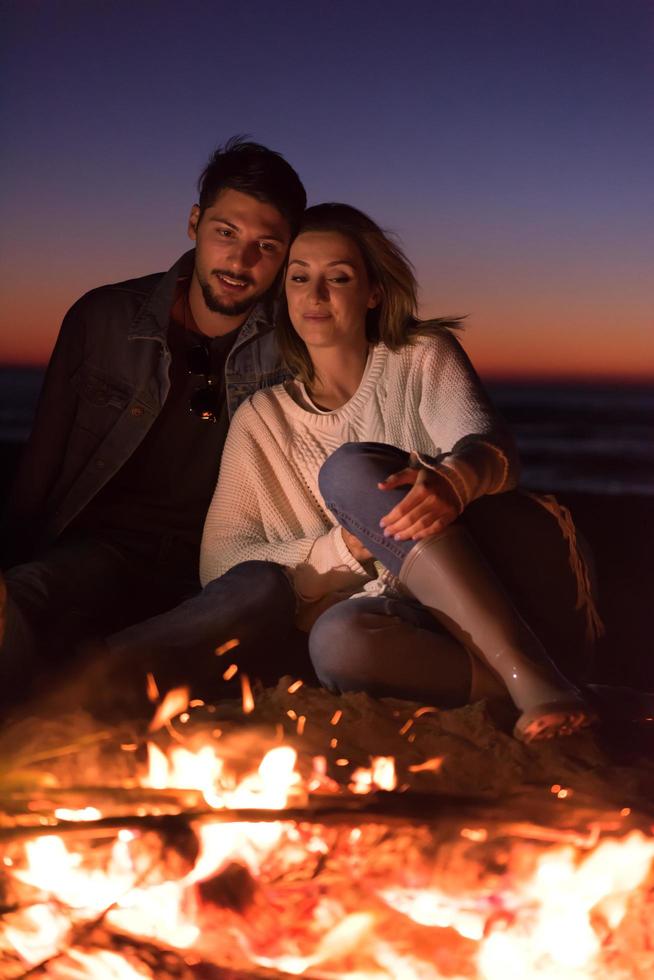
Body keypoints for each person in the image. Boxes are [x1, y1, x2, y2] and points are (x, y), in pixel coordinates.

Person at [105, 204, 601, 740]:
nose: (315, 295)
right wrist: (344, 548)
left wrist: (453, 481)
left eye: (337, 278)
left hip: (508, 583)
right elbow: (222, 563)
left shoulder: (420, 356)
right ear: (284, 293)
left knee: (349, 473)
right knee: (337, 640)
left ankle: (529, 674)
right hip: (412, 626)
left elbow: (492, 448)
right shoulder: (262, 419)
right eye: (299, 278)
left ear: (373, 292)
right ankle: (549, 694)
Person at [0, 137, 306, 707]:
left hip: (217, 564)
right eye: (226, 233)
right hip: (101, 552)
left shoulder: (297, 347)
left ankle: (84, 680)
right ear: (195, 223)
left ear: (289, 253)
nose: (240, 262)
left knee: (265, 589)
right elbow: (42, 462)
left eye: (266, 246)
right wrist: (24, 560)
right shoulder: (104, 318)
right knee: (16, 598)